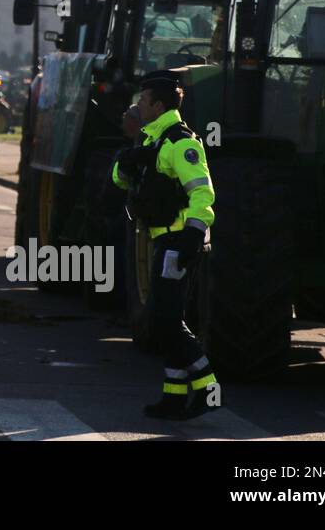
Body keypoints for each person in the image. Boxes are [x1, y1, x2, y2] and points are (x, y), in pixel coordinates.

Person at [112, 71, 218, 420]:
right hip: (162, 240)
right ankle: (174, 396)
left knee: (165, 322)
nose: (138, 106)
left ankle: (208, 387)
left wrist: (193, 233)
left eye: (143, 101)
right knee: (168, 320)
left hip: (178, 242)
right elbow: (122, 180)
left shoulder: (180, 142)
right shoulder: (151, 140)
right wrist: (125, 163)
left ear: (158, 105)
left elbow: (202, 193)